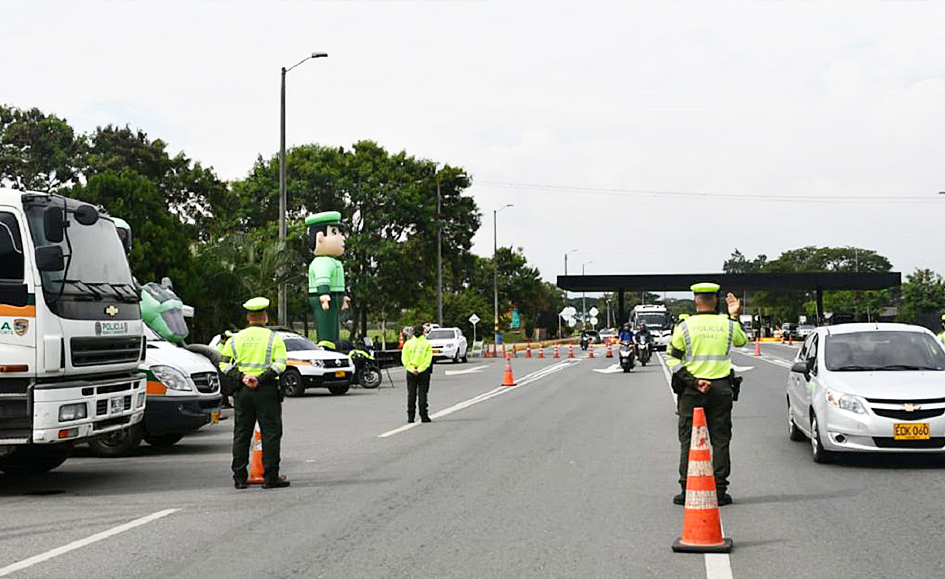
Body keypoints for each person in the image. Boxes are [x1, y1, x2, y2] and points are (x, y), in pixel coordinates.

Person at [669, 283, 747, 507]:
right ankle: (719, 491)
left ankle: (687, 490)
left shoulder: (685, 326)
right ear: (715, 301)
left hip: (692, 390)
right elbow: (742, 341)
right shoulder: (727, 324)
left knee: (688, 439)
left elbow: (673, 359)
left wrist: (694, 382)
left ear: (696, 301)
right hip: (721, 388)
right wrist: (734, 316)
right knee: (721, 440)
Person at [222, 297, 290, 489]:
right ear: (265, 317)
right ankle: (270, 477)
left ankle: (239, 478)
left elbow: (224, 364)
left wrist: (242, 377)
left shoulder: (235, 338)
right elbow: (280, 365)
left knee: (242, 434)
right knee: (271, 433)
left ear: (248, 317)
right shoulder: (273, 338)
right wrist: (259, 379)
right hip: (266, 390)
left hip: (242, 391)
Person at [401, 323, 434, 424]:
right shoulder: (427, 344)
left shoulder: (408, 344)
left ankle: (410, 417)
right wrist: (420, 369)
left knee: (411, 394)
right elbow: (428, 360)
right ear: (423, 332)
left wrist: (411, 369)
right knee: (422, 394)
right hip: (423, 372)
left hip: (411, 372)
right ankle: (424, 416)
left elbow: (404, 359)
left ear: (413, 333)